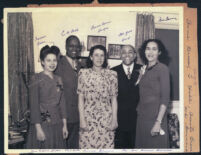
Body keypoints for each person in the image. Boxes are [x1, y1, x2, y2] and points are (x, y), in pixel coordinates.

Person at [26, 45, 68, 149]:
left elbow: (62, 103)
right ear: (42, 62)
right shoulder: (36, 79)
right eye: (48, 60)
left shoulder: (59, 79)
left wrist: (65, 125)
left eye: (54, 60)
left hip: (58, 123)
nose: (52, 63)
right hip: (42, 124)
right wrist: (38, 129)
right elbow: (34, 106)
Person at [77, 45, 118, 149]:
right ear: (91, 57)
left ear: (105, 58)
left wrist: (114, 119)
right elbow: (81, 98)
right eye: (96, 55)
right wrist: (82, 119)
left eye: (102, 55)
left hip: (106, 119)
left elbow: (114, 99)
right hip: (88, 119)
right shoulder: (83, 73)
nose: (99, 58)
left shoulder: (112, 75)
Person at [135, 39, 170, 148]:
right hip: (142, 118)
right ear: (144, 51)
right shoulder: (144, 69)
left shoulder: (163, 69)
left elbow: (165, 98)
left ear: (159, 52)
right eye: (148, 48)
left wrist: (158, 122)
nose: (150, 52)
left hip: (155, 118)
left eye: (154, 49)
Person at [54, 35, 82, 149]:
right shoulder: (58, 65)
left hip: (78, 115)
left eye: (77, 46)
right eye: (71, 46)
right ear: (66, 47)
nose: (74, 49)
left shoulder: (81, 65)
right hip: (64, 115)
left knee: (75, 146)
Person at [111, 45, 142, 148]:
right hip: (119, 120)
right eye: (124, 52)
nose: (127, 54)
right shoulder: (113, 71)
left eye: (130, 52)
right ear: (120, 55)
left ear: (134, 55)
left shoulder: (142, 70)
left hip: (138, 120)